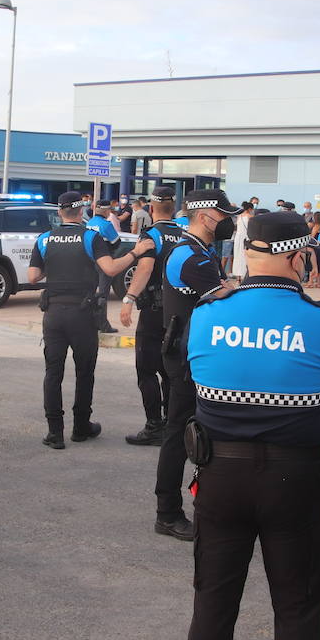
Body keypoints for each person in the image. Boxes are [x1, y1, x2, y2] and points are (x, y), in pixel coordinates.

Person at [180, 210, 320, 640]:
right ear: (300, 256)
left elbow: (192, 374)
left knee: (213, 607)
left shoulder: (206, 314)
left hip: (220, 477)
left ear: (248, 253)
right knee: (297, 614)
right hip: (292, 481)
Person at [149, 189, 240, 541]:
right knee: (178, 433)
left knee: (199, 429)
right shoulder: (190, 257)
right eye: (223, 214)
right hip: (186, 357)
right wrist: (233, 285)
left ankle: (202, 503)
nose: (227, 221)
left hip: (193, 352)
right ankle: (167, 512)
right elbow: (227, 294)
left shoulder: (198, 251)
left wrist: (229, 284)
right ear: (205, 217)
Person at [28, 191, 144, 449]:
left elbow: (33, 275)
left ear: (59, 212)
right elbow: (111, 269)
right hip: (82, 314)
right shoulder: (91, 236)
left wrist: (55, 264)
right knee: (84, 372)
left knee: (53, 373)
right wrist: (136, 253)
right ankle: (81, 427)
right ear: (82, 212)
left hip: (54, 314)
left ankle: (54, 433)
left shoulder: (45, 239)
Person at [120, 186, 185, 446]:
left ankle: (154, 426)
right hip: (178, 312)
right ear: (174, 206)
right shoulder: (184, 235)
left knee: (146, 370)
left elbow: (145, 269)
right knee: (171, 371)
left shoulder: (152, 235)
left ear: (151, 208)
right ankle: (172, 424)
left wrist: (129, 298)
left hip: (153, 313)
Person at [87, 201, 123, 333]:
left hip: (90, 261)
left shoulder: (90, 223)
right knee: (103, 293)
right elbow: (116, 242)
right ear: (107, 211)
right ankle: (103, 324)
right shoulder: (106, 225)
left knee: (91, 291)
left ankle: (90, 321)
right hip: (105, 261)